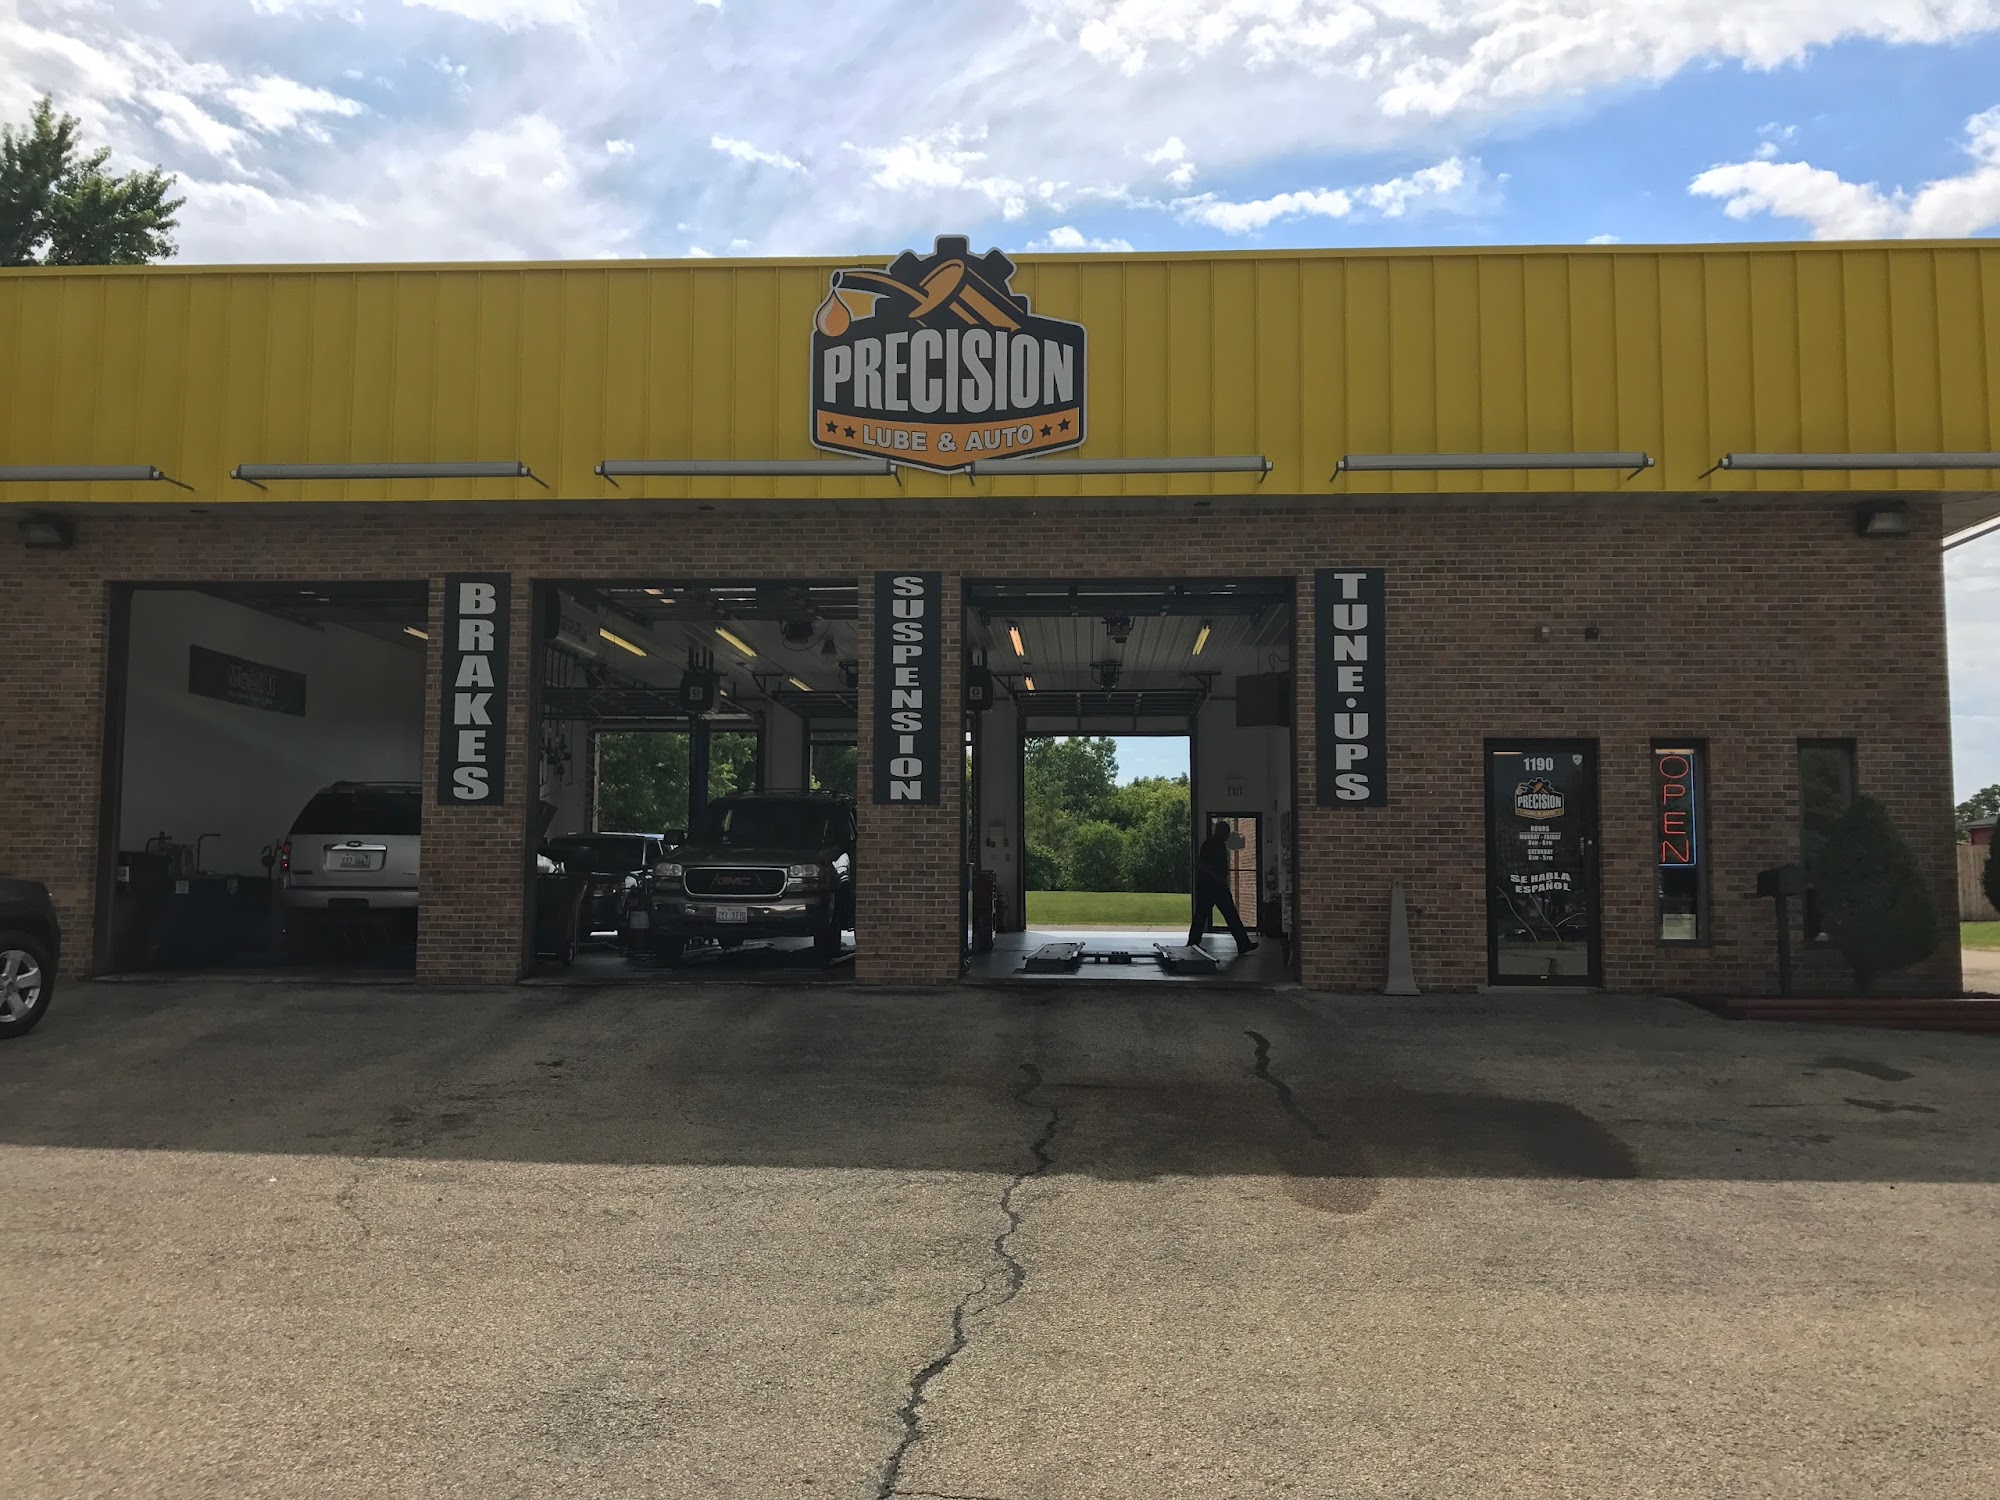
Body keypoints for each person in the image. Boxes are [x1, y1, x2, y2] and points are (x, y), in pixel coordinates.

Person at [1188, 818, 1258, 952]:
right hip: (1213, 886)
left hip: (1210, 887)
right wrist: (1217, 876)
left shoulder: (1212, 844)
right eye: (1227, 832)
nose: (1228, 836)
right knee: (1229, 915)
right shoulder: (1213, 845)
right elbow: (1201, 865)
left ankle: (1193, 943)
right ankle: (1243, 943)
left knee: (1203, 916)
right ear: (1221, 832)